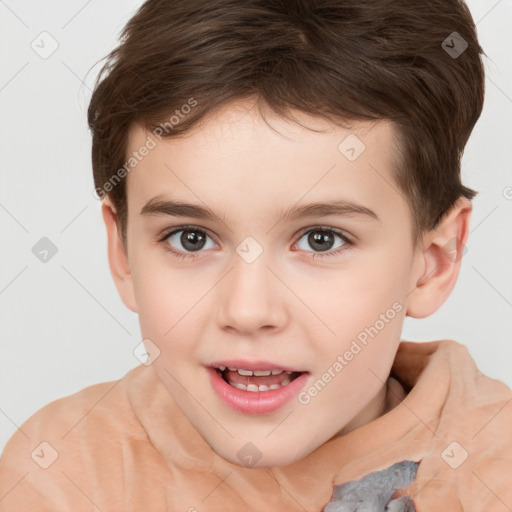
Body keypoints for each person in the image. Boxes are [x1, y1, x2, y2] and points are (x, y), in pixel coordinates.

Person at [1, 0, 511, 510]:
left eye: (321, 240)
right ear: (124, 252)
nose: (247, 311)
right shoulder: (65, 474)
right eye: (191, 238)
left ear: (435, 260)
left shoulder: (493, 477)